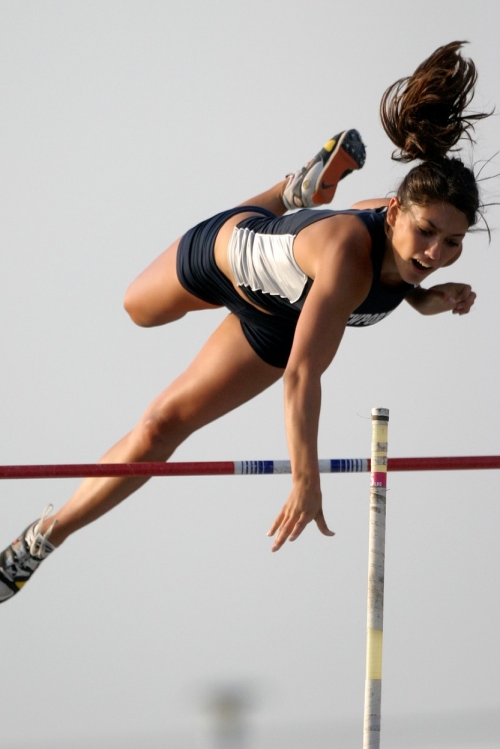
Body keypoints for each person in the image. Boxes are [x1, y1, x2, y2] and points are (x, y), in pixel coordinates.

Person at [0, 41, 490, 603]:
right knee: (138, 310)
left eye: (453, 243)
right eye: (427, 233)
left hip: (275, 324)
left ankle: (41, 540)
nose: (435, 253)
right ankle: (288, 192)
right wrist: (305, 479)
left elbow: (390, 287)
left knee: (160, 428)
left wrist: (427, 298)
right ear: (396, 212)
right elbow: (302, 375)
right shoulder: (347, 257)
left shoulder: (410, 257)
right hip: (228, 258)